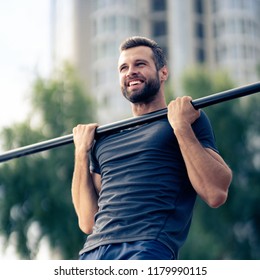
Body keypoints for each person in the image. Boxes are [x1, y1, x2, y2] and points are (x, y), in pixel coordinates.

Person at [71, 36, 232, 260]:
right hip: (92, 252)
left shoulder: (184, 119)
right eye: (123, 68)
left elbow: (216, 192)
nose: (130, 72)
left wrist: (181, 127)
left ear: (163, 72)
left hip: (146, 248)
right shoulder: (105, 139)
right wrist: (81, 153)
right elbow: (88, 221)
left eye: (140, 64)